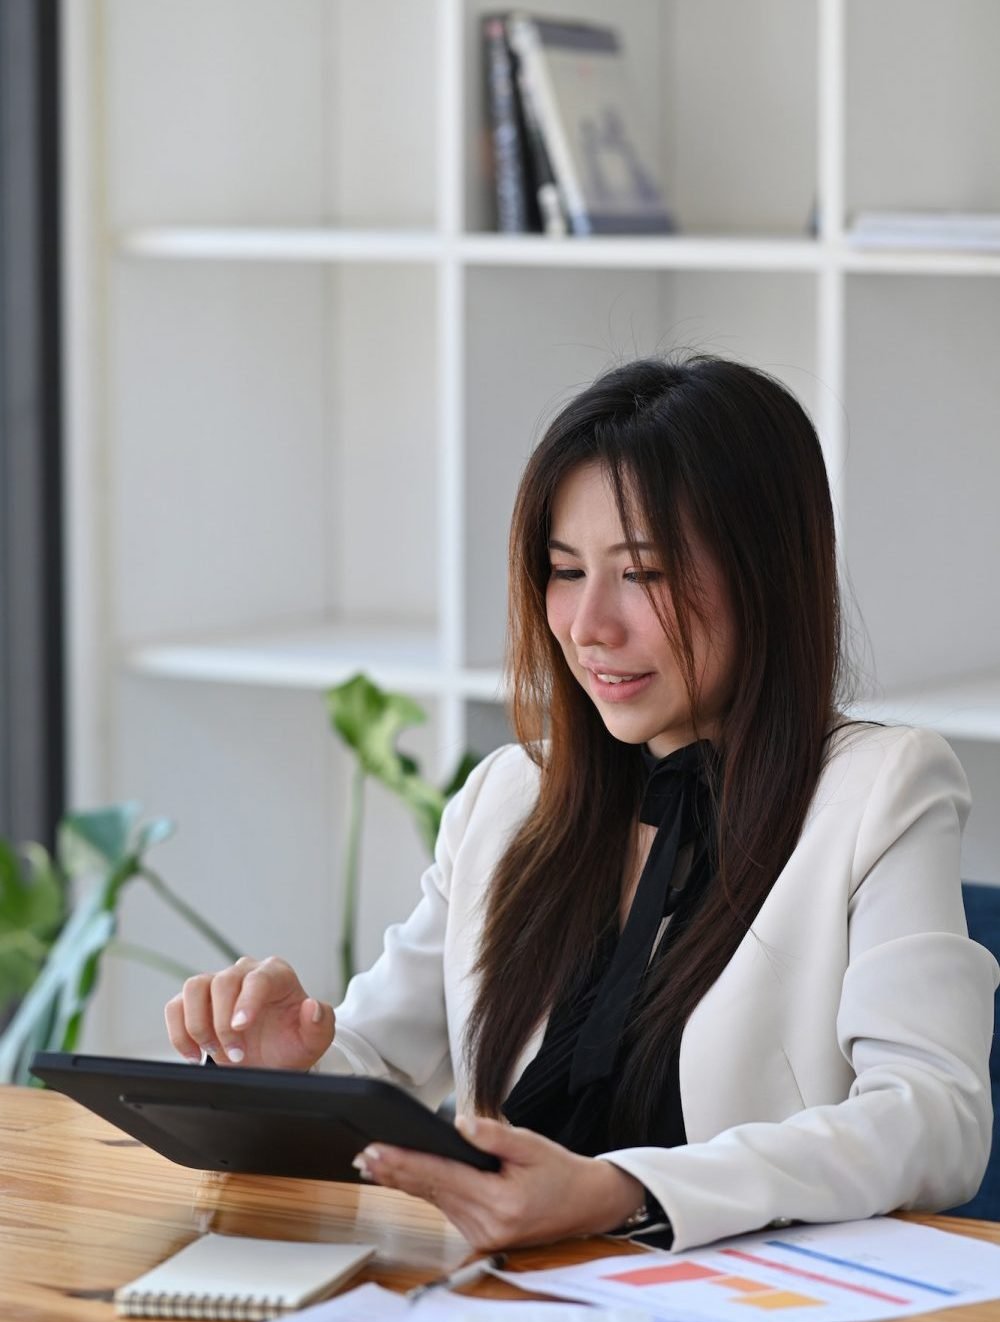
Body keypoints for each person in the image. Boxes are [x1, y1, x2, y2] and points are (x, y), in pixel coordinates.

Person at [165, 355, 998, 1254]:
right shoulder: (507, 796)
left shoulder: (879, 791)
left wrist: (620, 1192)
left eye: (640, 573)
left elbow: (934, 1119)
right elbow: (380, 1062)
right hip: (505, 1312)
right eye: (565, 571)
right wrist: (299, 1064)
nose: (590, 624)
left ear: (764, 573)